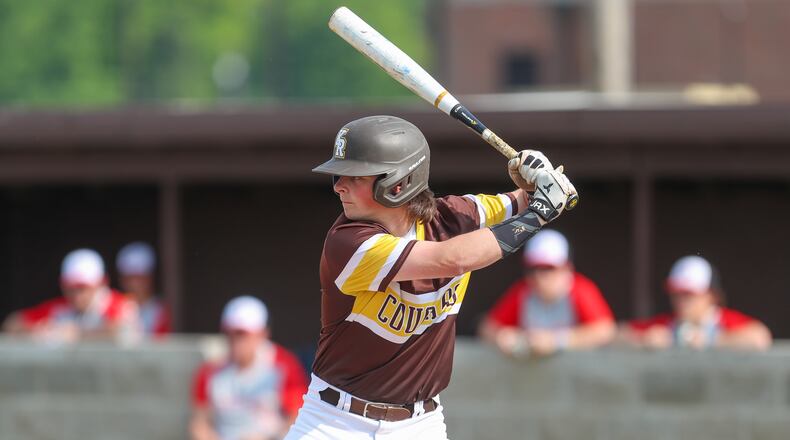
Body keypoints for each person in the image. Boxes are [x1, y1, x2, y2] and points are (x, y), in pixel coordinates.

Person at [284, 115, 577, 439]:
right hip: (336, 422)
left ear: (397, 183)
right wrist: (538, 213)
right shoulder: (347, 243)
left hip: (419, 424)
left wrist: (538, 180)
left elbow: (529, 198)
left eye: (355, 176)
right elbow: (451, 259)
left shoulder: (458, 216)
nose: (339, 185)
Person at [478, 229, 615, 357]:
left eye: (548, 268)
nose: (539, 276)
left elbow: (605, 331)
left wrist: (556, 341)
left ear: (567, 268)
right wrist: (503, 337)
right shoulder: (522, 291)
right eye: (533, 268)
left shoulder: (580, 289)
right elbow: (487, 328)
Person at [190, 296, 308, 440]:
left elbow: (296, 418)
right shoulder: (210, 370)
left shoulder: (284, 365)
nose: (235, 340)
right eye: (229, 333)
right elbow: (199, 422)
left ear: (262, 334)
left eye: (242, 334)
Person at [621, 255, 772, 351]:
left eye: (689, 294)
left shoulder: (724, 320)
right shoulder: (666, 325)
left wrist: (711, 340)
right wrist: (644, 340)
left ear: (711, 295)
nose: (680, 301)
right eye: (676, 293)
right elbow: (613, 334)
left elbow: (760, 338)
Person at [2, 248, 140, 343]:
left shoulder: (118, 303)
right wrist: (36, 331)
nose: (76, 295)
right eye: (70, 288)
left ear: (101, 282)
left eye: (83, 288)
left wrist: (76, 334)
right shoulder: (60, 307)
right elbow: (12, 323)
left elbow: (120, 330)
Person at [116, 241, 171, 336]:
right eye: (129, 278)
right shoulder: (114, 304)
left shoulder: (159, 310)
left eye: (139, 278)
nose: (134, 283)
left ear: (150, 278)